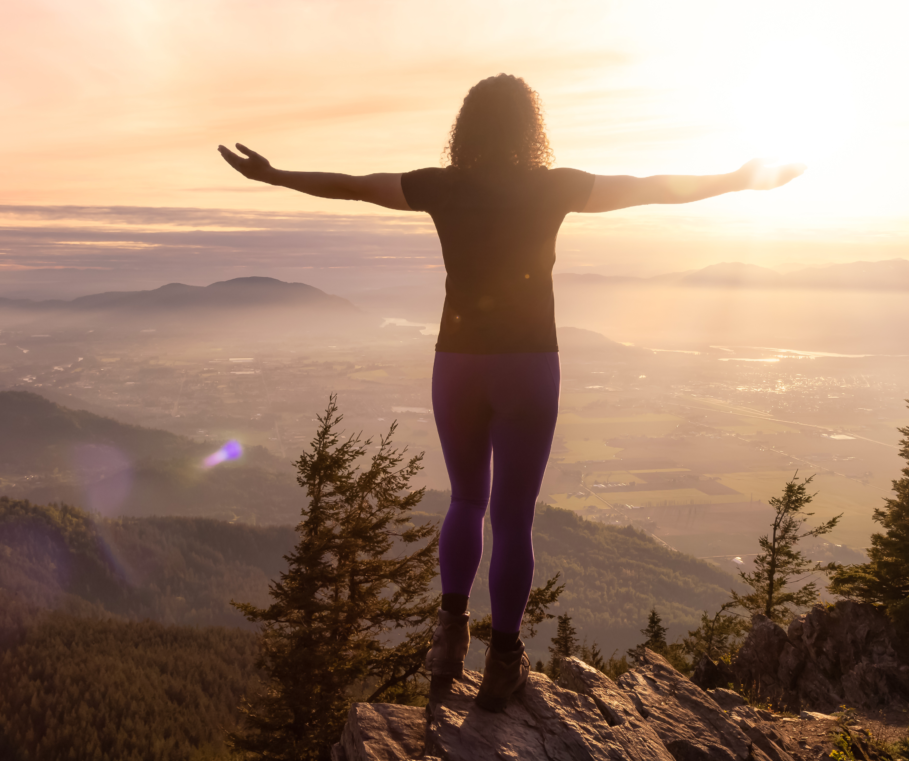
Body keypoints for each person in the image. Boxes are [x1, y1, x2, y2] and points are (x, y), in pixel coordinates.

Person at [219, 73, 804, 711]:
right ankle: (503, 661)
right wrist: (737, 179)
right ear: (532, 128)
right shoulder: (554, 187)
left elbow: (354, 188)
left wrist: (276, 177)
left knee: (465, 500)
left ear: (466, 128)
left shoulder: (440, 186)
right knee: (513, 516)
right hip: (529, 364)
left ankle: (448, 639)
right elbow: (650, 190)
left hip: (457, 363)